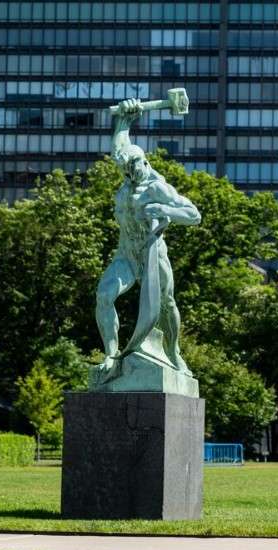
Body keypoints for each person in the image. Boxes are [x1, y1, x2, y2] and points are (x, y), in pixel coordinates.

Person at [93, 98, 201, 384]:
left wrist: (164, 210)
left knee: (167, 304)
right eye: (126, 168)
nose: (130, 172)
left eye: (135, 166)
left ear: (146, 161)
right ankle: (111, 356)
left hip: (153, 255)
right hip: (126, 256)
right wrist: (126, 119)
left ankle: (174, 351)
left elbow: (194, 214)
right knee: (104, 296)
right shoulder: (126, 172)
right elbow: (119, 144)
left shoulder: (157, 187)